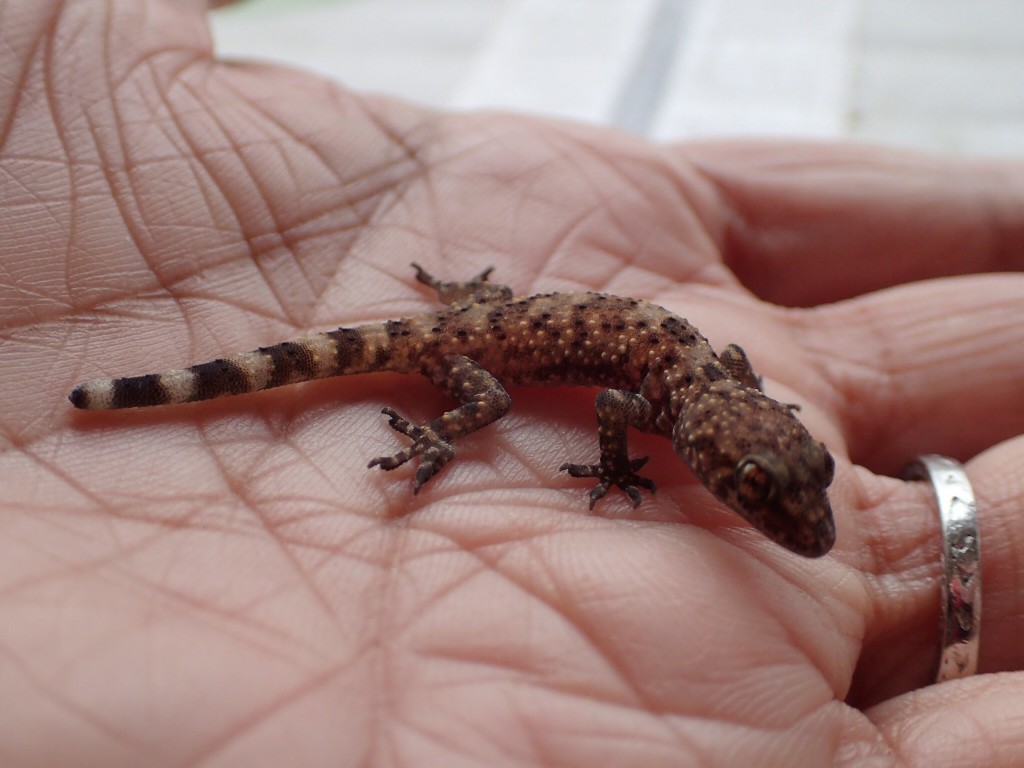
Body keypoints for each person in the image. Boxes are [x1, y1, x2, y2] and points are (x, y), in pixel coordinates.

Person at [3, 2, 1024, 766]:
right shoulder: (674, 395)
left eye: (781, 485)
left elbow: (678, 394)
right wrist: (553, 449)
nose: (800, 525)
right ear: (717, 450)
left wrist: (680, 449)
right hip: (467, 350)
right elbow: (625, 405)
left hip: (476, 318)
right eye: (766, 493)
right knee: (483, 408)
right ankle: (402, 430)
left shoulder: (698, 385)